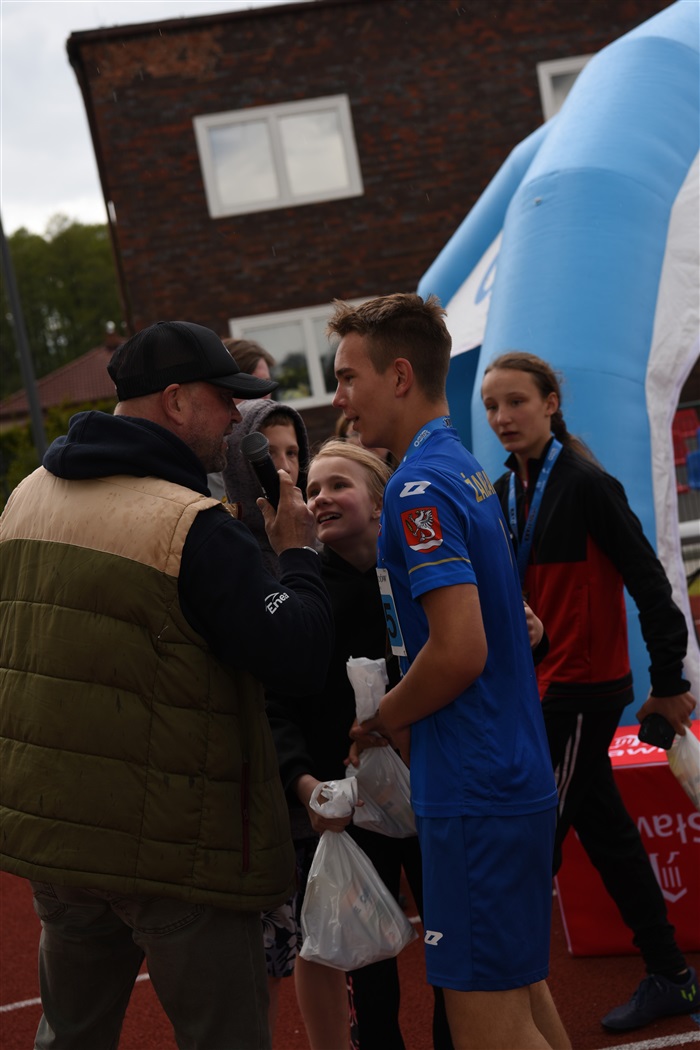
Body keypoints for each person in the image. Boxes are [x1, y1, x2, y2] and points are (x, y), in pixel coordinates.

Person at [0, 320, 333, 1050]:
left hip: (56, 837)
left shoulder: (25, 496)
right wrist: (298, 556)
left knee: (70, 1036)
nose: (237, 416)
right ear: (176, 401)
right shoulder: (193, 526)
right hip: (175, 851)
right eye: (225, 398)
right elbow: (299, 656)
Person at [329, 293, 571, 1050]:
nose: (338, 398)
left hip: (473, 782)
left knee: (486, 1026)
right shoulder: (461, 468)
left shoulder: (417, 487)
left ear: (400, 376)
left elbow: (460, 650)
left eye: (348, 377)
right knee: (520, 996)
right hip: (504, 770)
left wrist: (381, 718)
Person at [481, 350, 699, 1032]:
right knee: (606, 834)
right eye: (492, 406)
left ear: (551, 403)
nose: (503, 416)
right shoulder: (504, 489)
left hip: (581, 692)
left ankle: (506, 1000)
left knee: (531, 841)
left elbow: (651, 585)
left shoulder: (585, 484)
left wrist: (670, 682)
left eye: (517, 401)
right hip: (544, 684)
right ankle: (672, 976)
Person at [267, 438, 453, 1050]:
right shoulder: (304, 591)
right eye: (313, 489)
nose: (320, 497)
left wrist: (532, 634)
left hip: (433, 789)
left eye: (338, 485)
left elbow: (469, 653)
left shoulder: (421, 572)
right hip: (347, 812)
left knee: (453, 953)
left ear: (380, 503)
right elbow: (276, 705)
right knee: (369, 973)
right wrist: (305, 784)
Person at [222, 395, 311, 1039]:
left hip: (310, 790)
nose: (283, 470)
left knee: (326, 946)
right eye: (266, 454)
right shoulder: (225, 554)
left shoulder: (313, 546)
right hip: (253, 799)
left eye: (293, 453)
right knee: (256, 969)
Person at [224, 399, 310, 577]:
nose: (285, 467)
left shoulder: (317, 537)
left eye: (291, 453)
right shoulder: (232, 556)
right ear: (238, 463)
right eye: (268, 453)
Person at [207, 337, 277, 499]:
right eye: (250, 388)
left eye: (265, 385)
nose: (262, 397)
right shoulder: (211, 456)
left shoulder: (279, 439)